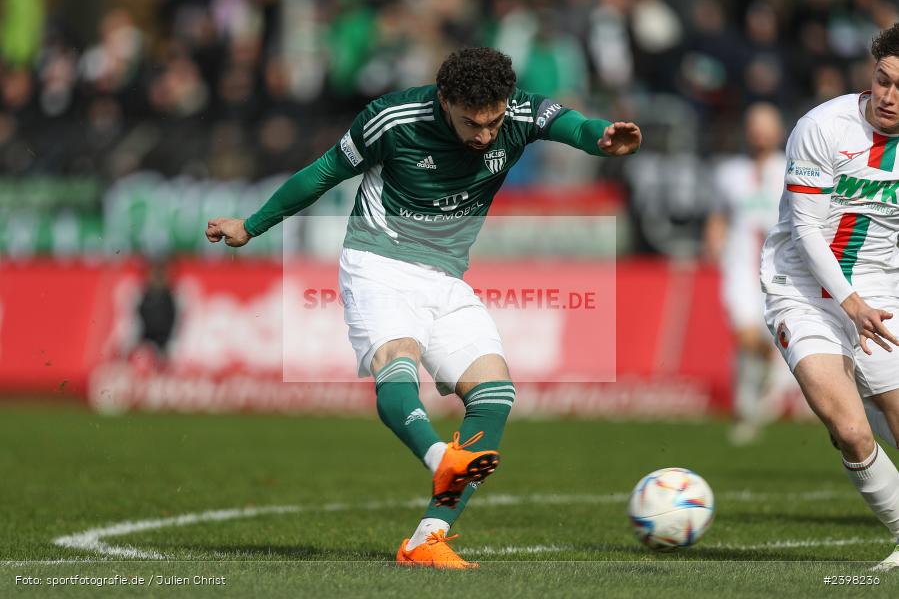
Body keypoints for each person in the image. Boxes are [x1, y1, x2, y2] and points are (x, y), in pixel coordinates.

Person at [205, 47, 642, 569]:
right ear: (444, 101)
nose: (485, 135)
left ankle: (426, 539)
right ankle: (440, 459)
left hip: (446, 276)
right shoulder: (392, 118)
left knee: (495, 395)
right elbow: (322, 173)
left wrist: (600, 138)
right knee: (398, 361)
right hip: (378, 261)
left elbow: (571, 124)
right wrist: (252, 225)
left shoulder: (517, 114)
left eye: (494, 122)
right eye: (471, 123)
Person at [760, 23, 899, 571]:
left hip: (883, 289)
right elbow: (806, 229)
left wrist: (869, 300)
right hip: (803, 291)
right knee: (847, 426)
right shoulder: (823, 127)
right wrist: (850, 303)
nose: (890, 96)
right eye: (884, 80)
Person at [704, 102, 799, 445]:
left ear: (778, 131)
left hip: (781, 270)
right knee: (746, 337)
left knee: (765, 339)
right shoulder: (728, 172)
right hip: (739, 267)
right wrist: (713, 243)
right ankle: (757, 396)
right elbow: (718, 215)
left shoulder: (791, 167)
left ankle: (752, 404)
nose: (758, 131)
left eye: (765, 125)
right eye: (753, 124)